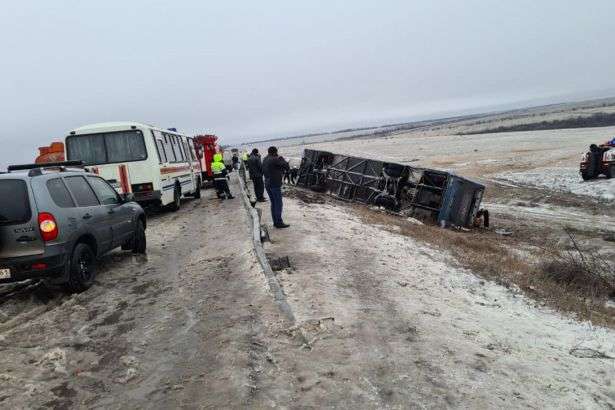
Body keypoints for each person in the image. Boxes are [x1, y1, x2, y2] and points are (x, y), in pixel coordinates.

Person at [262, 146, 290, 228]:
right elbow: (286, 166)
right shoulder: (275, 159)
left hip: (267, 183)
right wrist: (281, 158)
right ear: (275, 152)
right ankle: (279, 222)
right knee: (278, 203)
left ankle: (275, 221)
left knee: (273, 203)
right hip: (274, 184)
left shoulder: (265, 159)